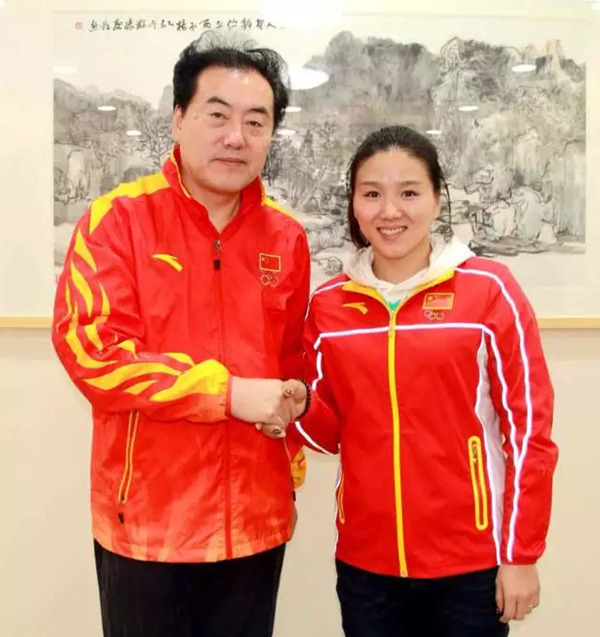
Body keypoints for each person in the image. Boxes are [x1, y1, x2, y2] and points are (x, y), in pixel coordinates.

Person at [52, 34, 310, 637]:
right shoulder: (117, 220)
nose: (236, 137)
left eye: (256, 122)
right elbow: (93, 353)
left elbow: (292, 358)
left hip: (255, 524)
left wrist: (294, 398)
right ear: (178, 118)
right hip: (148, 528)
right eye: (217, 115)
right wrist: (225, 393)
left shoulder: (287, 238)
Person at [263, 125, 559, 636]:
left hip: (470, 562)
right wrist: (302, 405)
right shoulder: (330, 305)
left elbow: (529, 432)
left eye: (409, 193)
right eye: (371, 194)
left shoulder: (489, 290)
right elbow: (329, 435)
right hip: (366, 565)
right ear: (354, 205)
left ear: (437, 199)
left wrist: (520, 554)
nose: (389, 211)